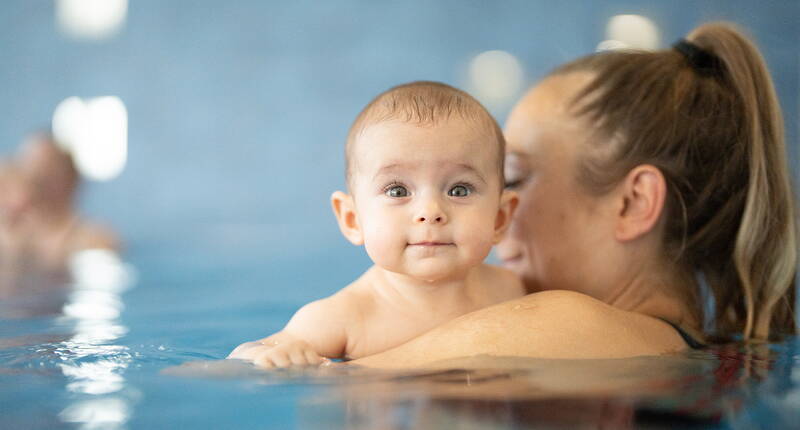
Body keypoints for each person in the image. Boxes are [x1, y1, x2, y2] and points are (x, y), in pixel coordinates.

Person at [350, 22, 797, 368]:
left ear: (633, 203)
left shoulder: (567, 324)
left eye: (512, 178)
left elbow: (330, 381)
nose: (490, 215)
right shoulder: (704, 352)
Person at [228, 81, 523, 367]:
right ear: (352, 219)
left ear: (499, 219)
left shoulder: (511, 292)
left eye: (459, 190)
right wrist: (267, 357)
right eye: (397, 191)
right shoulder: (343, 317)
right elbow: (244, 358)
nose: (430, 212)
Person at [15, 131, 120, 275]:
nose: (34, 178)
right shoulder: (13, 235)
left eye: (46, 170)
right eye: (28, 168)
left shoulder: (94, 240)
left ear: (70, 178)